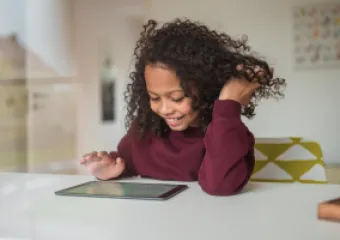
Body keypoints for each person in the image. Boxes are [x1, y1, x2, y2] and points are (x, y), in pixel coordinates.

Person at [80, 18, 286, 196]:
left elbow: (219, 185)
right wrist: (113, 169)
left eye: (176, 98)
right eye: (154, 97)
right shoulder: (144, 129)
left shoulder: (226, 132)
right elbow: (131, 163)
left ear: (205, 88)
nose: (165, 109)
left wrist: (228, 104)